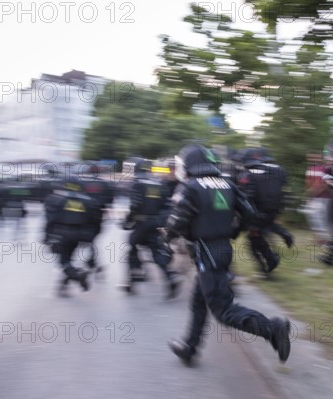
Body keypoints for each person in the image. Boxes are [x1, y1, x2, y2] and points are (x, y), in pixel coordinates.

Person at [162, 144, 291, 366]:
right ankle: (189, 347)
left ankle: (273, 329)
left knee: (222, 309)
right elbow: (249, 213)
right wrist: (231, 231)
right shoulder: (228, 183)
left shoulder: (190, 187)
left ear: (190, 164)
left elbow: (178, 220)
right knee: (199, 300)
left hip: (205, 252)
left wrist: (167, 237)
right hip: (222, 249)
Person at [121, 158, 181, 299]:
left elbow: (135, 205)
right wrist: (160, 221)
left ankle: (135, 274)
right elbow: (167, 206)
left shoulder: (137, 183)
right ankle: (171, 277)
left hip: (141, 222)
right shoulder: (159, 182)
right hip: (155, 223)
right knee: (156, 251)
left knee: (132, 246)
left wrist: (127, 221)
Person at [238, 147, 294, 274]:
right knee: (262, 233)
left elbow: (248, 196)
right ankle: (280, 237)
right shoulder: (277, 170)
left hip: (256, 213)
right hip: (272, 210)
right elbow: (284, 190)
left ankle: (269, 263)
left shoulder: (249, 174)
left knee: (254, 240)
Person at [44, 176, 101, 297]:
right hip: (81, 235)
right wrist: (91, 237)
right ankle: (63, 286)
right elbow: (96, 222)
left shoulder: (58, 200)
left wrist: (47, 237)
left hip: (63, 234)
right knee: (68, 260)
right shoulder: (90, 202)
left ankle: (77, 275)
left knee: (63, 262)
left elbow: (50, 220)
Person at [304, 152, 333, 245]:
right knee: (314, 217)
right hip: (315, 196)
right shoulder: (310, 169)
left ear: (320, 159)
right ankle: (321, 238)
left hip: (324, 197)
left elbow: (327, 183)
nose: (313, 160)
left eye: (316, 158)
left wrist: (316, 191)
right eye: (311, 158)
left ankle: (325, 239)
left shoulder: (325, 169)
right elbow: (308, 181)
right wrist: (309, 193)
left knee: (322, 218)